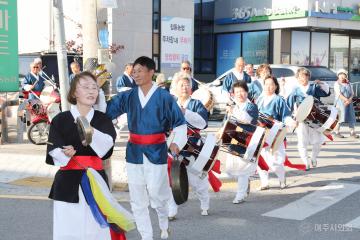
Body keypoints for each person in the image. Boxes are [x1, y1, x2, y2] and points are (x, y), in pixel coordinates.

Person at [106, 56, 187, 240]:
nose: (136, 74)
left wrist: (176, 142)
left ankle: (163, 221)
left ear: (151, 72)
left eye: (140, 70)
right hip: (134, 151)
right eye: (134, 71)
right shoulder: (127, 96)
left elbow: (180, 124)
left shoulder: (164, 97)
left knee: (157, 196)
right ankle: (146, 236)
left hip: (157, 150)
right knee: (137, 198)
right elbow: (107, 110)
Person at [46, 71, 117, 239]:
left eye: (94, 87)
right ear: (74, 92)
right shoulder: (60, 120)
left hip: (96, 179)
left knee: (97, 229)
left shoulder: (102, 119)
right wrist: (64, 153)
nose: (91, 91)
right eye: (85, 87)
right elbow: (53, 150)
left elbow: (107, 147)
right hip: (67, 182)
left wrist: (89, 132)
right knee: (68, 229)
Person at [167, 72, 210, 219]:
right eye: (181, 85)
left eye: (187, 85)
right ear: (176, 88)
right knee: (173, 179)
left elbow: (203, 123)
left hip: (193, 147)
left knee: (197, 181)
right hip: (174, 148)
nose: (184, 87)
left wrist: (185, 111)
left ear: (191, 88)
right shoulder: (171, 103)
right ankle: (172, 209)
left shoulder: (196, 104)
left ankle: (204, 202)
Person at [256, 76, 296, 189]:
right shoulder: (260, 99)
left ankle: (282, 179)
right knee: (261, 160)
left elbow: (286, 115)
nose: (268, 87)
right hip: (262, 135)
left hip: (276, 134)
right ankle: (264, 183)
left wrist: (291, 122)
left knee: (276, 161)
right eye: (266, 84)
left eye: (271, 84)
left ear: (276, 86)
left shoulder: (279, 100)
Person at [287, 67, 331, 170]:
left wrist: (321, 84)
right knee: (302, 141)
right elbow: (288, 104)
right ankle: (305, 161)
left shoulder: (314, 87)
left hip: (315, 117)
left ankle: (313, 157)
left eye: (305, 76)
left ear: (308, 77)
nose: (303, 79)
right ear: (297, 78)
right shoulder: (295, 90)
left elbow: (326, 93)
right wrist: (292, 118)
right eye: (300, 77)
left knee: (317, 141)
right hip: (301, 119)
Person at [225, 81, 259, 203]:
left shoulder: (251, 107)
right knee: (230, 169)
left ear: (247, 93)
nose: (240, 94)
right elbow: (226, 123)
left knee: (242, 170)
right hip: (233, 140)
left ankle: (240, 195)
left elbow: (246, 119)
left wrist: (233, 110)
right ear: (233, 94)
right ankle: (245, 183)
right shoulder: (232, 107)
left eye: (242, 91)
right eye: (237, 92)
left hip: (247, 141)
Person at [333, 69, 359, 138]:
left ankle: (352, 132)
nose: (342, 76)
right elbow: (339, 94)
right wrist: (346, 100)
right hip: (340, 103)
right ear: (338, 76)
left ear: (345, 76)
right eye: (340, 75)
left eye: (343, 75)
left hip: (349, 103)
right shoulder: (336, 84)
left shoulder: (349, 83)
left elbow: (352, 93)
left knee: (351, 117)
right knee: (339, 117)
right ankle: (336, 132)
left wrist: (349, 100)